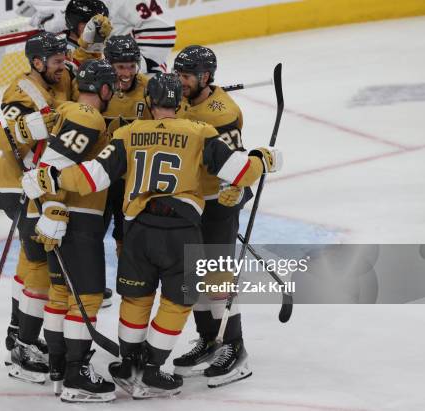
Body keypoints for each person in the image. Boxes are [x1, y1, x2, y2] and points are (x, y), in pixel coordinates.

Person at [21, 73, 283, 398]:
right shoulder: (199, 132)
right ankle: (153, 367)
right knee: (179, 300)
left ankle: (128, 364)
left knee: (135, 299)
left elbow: (94, 176)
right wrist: (263, 159)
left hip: (138, 231)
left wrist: (53, 178)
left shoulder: (129, 132)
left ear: (148, 104)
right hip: (181, 232)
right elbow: (240, 172)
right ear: (179, 103)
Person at [22, 59, 118, 403]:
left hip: (59, 217)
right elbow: (53, 166)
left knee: (61, 296)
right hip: (75, 218)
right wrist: (55, 208)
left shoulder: (66, 110)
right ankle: (78, 374)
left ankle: (60, 370)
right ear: (104, 90)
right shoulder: (87, 116)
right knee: (87, 297)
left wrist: (50, 208)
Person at [0, 31, 74, 384]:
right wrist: (35, 125)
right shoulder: (19, 93)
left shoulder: (62, 74)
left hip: (44, 182)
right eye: (56, 61)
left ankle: (17, 328)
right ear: (37, 63)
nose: (63, 66)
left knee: (30, 261)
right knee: (37, 263)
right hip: (18, 185)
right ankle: (23, 344)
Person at [172, 45, 254, 387]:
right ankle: (208, 338)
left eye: (186, 76)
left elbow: (234, 164)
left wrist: (233, 187)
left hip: (219, 199)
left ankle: (234, 347)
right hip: (192, 199)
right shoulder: (181, 99)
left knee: (216, 275)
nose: (180, 81)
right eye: (178, 75)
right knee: (195, 272)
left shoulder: (223, 112)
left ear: (205, 77)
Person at [17, 0, 176, 74]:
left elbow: (163, 29)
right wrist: (70, 15)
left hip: (142, 78)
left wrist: (135, 66)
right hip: (103, 73)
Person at [102, 34, 151, 256]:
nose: (127, 73)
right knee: (93, 230)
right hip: (101, 171)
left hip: (133, 176)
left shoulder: (149, 88)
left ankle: (130, 279)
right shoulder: (96, 84)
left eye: (131, 66)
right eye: (121, 66)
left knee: (128, 233)